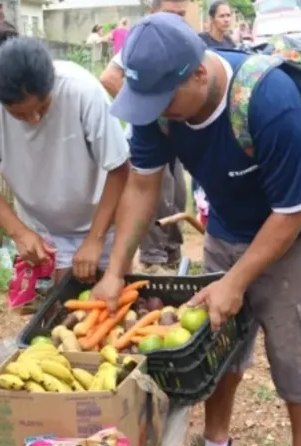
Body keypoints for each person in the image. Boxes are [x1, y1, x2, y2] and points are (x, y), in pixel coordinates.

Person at [96, 13, 301, 446]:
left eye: (164, 101)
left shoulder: (269, 100)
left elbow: (292, 211)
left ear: (199, 75)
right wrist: (115, 268)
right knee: (218, 345)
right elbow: (143, 187)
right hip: (229, 226)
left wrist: (235, 281)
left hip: (296, 233)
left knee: (299, 346)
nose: (155, 112)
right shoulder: (159, 109)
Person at [0, 37, 130, 283]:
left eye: (42, 107)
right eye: (19, 114)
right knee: (64, 306)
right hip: (44, 232)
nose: (34, 119)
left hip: (104, 221)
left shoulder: (82, 91)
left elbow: (119, 167)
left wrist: (96, 238)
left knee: (121, 293)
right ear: (0, 101)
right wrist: (19, 232)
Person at [99, 0, 193, 271]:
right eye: (171, 14)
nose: (177, 20)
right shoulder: (144, 43)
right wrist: (148, 111)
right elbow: (108, 77)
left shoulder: (181, 40)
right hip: (150, 136)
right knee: (154, 196)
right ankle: (153, 259)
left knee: (176, 194)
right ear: (153, 13)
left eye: (181, 15)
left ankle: (171, 253)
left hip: (173, 131)